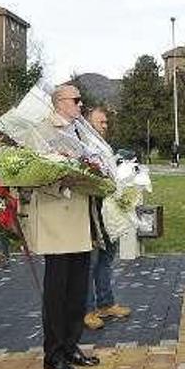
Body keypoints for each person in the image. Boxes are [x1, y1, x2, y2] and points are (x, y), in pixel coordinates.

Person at [24, 85, 99, 369]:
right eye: (76, 100)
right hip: (56, 220)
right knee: (57, 291)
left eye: (81, 99)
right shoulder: (41, 131)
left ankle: (71, 345)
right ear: (59, 103)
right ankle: (53, 354)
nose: (81, 104)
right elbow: (32, 175)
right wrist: (66, 180)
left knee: (78, 289)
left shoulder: (81, 130)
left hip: (79, 218)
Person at [83, 106, 131, 331]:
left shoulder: (103, 145)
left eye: (106, 123)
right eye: (100, 123)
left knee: (106, 257)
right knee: (91, 262)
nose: (105, 127)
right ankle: (88, 310)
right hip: (92, 209)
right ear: (88, 122)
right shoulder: (83, 144)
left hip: (109, 209)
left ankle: (106, 303)